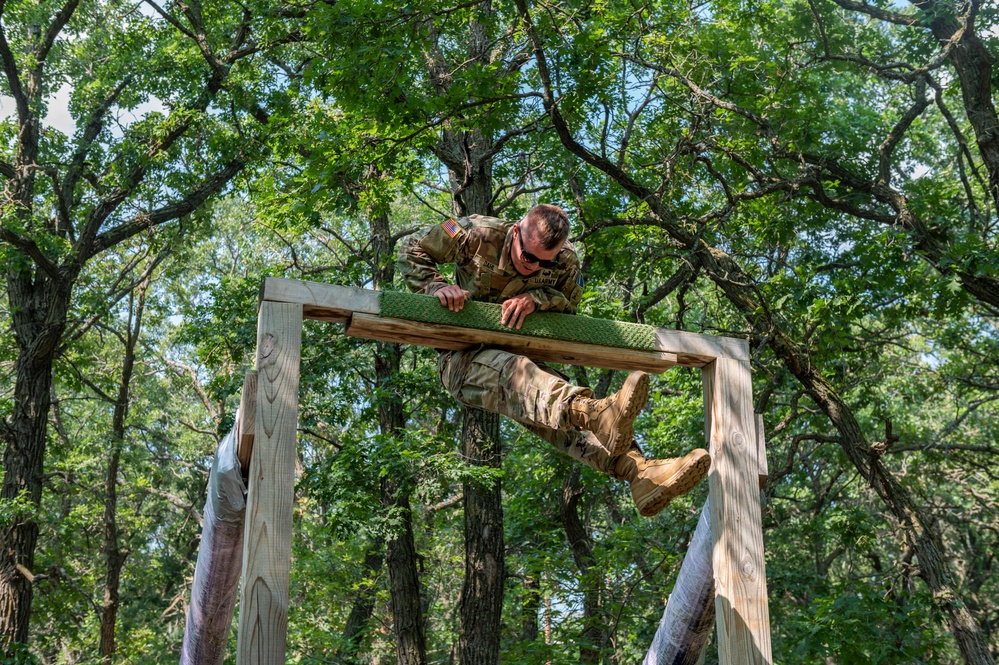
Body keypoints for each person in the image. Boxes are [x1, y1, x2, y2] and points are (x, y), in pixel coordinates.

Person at [398, 204, 709, 516]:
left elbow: (570, 304)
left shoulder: (565, 260)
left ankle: (640, 475)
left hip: (523, 354)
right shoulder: (474, 232)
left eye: (543, 261)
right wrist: (437, 286)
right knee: (524, 379)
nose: (534, 267)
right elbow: (412, 247)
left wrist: (539, 299)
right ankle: (593, 412)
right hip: (464, 358)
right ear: (515, 232)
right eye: (528, 257)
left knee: (556, 409)